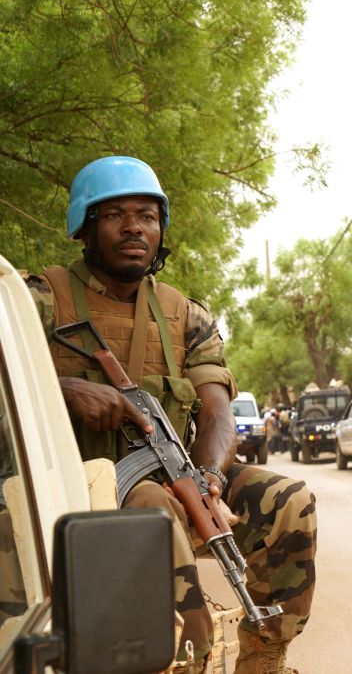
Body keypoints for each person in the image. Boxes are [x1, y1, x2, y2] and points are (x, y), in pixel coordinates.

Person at [24, 156, 316, 674]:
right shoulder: (42, 298)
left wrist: (205, 479)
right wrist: (62, 389)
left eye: (147, 215)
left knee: (289, 500)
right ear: (85, 230)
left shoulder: (185, 314)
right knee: (154, 508)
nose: (135, 226)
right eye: (114, 214)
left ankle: (264, 656)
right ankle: (187, 658)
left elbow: (216, 411)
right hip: (69, 489)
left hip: (173, 477)